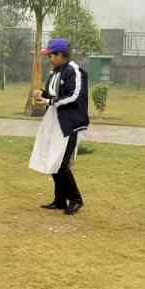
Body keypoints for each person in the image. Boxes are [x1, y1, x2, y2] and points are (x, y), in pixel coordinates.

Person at [29, 38, 90, 215]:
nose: (50, 58)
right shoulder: (55, 71)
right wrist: (43, 93)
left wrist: (49, 100)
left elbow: (74, 96)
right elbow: (54, 94)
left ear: (61, 55)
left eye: (51, 55)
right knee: (52, 159)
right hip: (54, 120)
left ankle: (76, 199)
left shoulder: (74, 71)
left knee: (62, 164)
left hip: (69, 123)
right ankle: (60, 200)